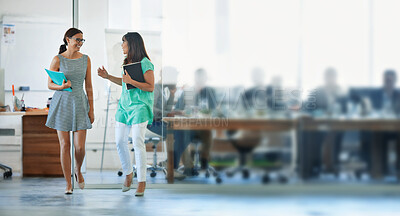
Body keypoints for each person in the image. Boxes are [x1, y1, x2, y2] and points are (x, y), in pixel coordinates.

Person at [97, 32, 154, 196]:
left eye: (123, 42)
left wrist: (132, 82)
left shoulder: (145, 63)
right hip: (124, 106)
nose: (121, 45)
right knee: (119, 141)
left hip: (140, 106)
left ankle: (141, 181)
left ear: (132, 44)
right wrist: (107, 76)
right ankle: (129, 173)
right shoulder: (126, 62)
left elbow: (150, 86)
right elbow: (125, 83)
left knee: (137, 141)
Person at [45, 28, 94, 194]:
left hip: (80, 103)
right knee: (65, 145)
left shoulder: (86, 60)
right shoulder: (57, 59)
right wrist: (61, 86)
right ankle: (68, 184)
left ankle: (78, 170)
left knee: (79, 147)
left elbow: (89, 86)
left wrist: (91, 110)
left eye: (82, 40)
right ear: (68, 39)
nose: (80, 43)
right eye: (77, 40)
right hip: (62, 103)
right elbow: (49, 84)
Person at [174, 68, 217, 175]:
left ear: (206, 78)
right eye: (198, 77)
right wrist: (185, 112)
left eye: (202, 77)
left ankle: (204, 161)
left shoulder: (210, 92)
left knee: (207, 132)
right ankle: (189, 166)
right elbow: (178, 108)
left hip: (204, 126)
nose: (200, 80)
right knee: (181, 134)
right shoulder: (188, 91)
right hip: (189, 126)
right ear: (195, 78)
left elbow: (214, 109)